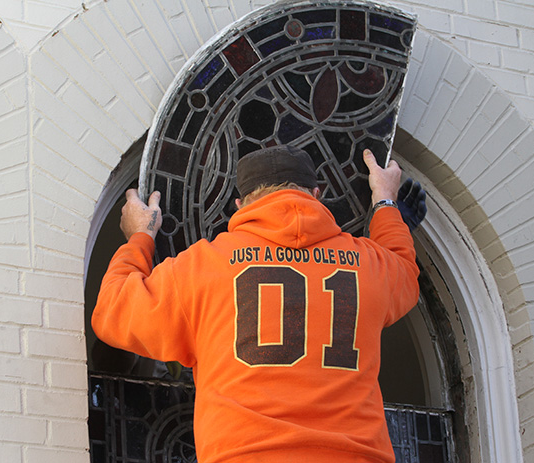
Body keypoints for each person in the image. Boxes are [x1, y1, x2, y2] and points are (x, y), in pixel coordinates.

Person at [92, 145, 424, 463]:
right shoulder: (367, 265)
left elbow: (114, 310)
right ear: (318, 194)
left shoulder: (202, 266)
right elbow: (405, 273)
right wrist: (385, 203)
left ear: (240, 204)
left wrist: (141, 236)